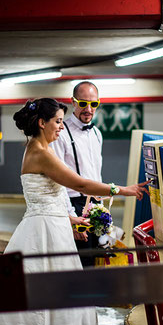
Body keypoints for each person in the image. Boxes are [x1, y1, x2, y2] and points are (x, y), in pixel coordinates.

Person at [0, 98, 148, 325]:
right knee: (56, 299)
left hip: (49, 227)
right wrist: (123, 189)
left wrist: (73, 219)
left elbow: (48, 199)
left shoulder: (38, 149)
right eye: (58, 122)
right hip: (45, 235)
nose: (61, 128)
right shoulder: (41, 152)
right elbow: (79, 184)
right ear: (42, 123)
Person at [51, 81, 104, 266]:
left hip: (96, 206)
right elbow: (57, 181)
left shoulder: (97, 133)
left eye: (93, 104)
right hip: (75, 205)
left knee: (96, 260)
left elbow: (97, 174)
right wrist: (72, 217)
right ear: (73, 102)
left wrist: (103, 209)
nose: (88, 109)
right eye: (83, 103)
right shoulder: (61, 133)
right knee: (80, 264)